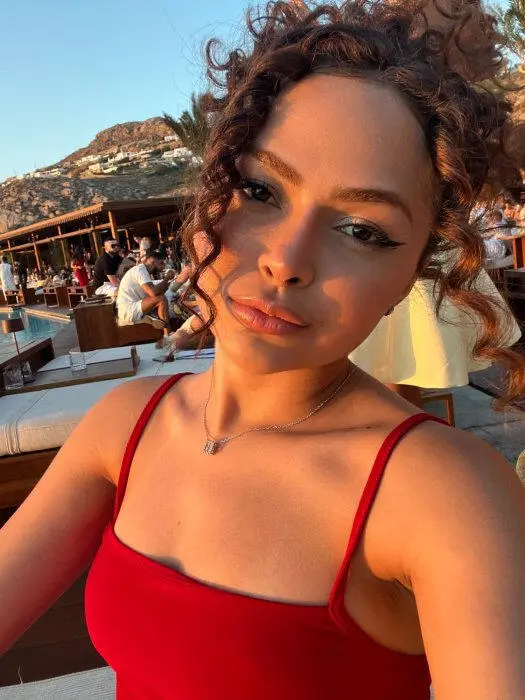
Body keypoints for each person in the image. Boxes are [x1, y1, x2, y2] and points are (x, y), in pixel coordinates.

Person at [1, 4, 525, 700]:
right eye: (259, 190)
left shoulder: (442, 491)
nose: (286, 261)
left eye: (363, 230)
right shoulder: (125, 425)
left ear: (411, 276)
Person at [116, 250, 175, 332]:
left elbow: (158, 291)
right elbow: (153, 293)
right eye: (161, 263)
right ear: (152, 261)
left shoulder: (143, 271)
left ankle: (161, 328)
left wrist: (168, 281)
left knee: (162, 298)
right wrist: (167, 278)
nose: (163, 267)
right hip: (128, 310)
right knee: (161, 299)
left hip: (131, 307)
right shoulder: (140, 270)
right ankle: (167, 334)